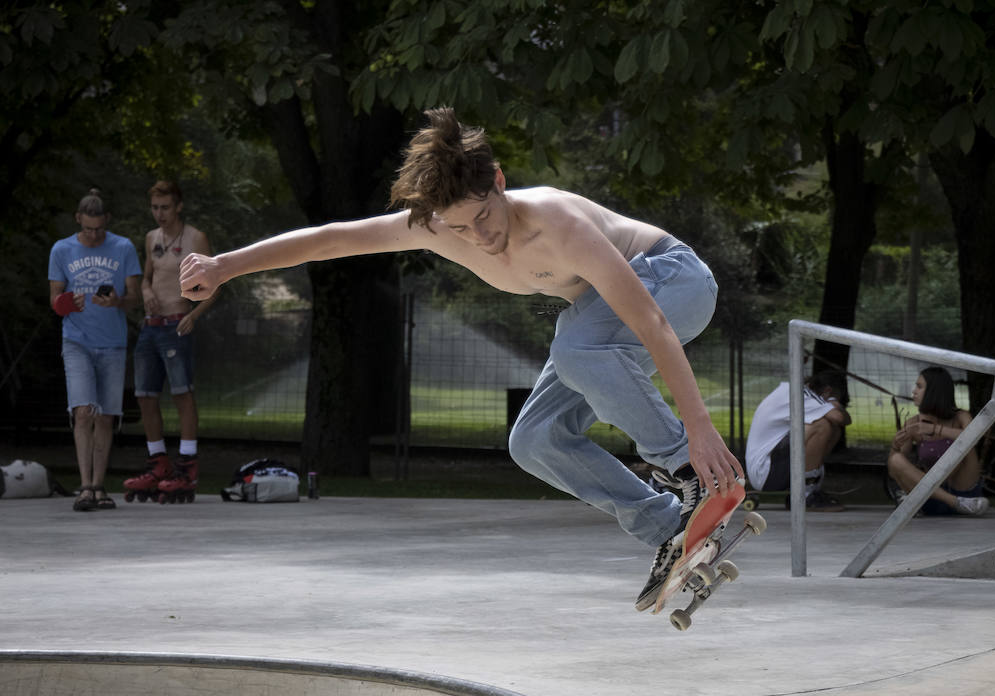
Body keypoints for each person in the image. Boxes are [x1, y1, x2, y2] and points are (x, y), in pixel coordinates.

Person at [180, 107, 743, 609]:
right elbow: (332, 239)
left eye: (483, 218)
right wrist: (225, 266)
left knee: (576, 348)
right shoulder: (435, 228)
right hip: (597, 318)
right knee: (534, 440)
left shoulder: (558, 223)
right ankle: (670, 528)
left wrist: (694, 433)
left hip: (673, 280)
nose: (478, 237)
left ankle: (693, 476)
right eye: (458, 228)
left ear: (498, 183)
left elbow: (651, 321)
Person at [47, 189, 142, 511]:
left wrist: (117, 301)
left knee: (106, 417)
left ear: (107, 223)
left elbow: (135, 297)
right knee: (83, 411)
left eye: (99, 229)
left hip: (113, 342)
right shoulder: (62, 250)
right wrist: (67, 301)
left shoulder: (123, 247)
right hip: (77, 340)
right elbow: (55, 301)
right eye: (88, 229)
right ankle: (85, 486)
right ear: (78, 221)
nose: (93, 235)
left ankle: (100, 486)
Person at [124, 180, 217, 501]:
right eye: (155, 208)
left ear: (178, 206)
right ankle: (158, 462)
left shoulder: (195, 237)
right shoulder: (152, 238)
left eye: (165, 207)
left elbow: (215, 285)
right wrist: (146, 293)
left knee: (181, 394)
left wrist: (194, 314)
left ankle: (187, 464)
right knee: (145, 395)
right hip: (151, 325)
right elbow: (147, 279)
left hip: (178, 323)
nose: (160, 214)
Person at [886, 366, 989, 516]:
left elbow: (975, 438)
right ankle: (954, 502)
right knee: (895, 459)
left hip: (966, 493)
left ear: (934, 391)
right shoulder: (912, 423)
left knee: (965, 441)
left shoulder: (961, 417)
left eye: (919, 386)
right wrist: (895, 446)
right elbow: (893, 470)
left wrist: (936, 430)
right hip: (932, 498)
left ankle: (959, 501)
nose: (914, 391)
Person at [744, 370, 850, 510]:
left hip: (769, 469)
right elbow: (841, 418)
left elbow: (843, 421)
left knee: (833, 429)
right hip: (766, 472)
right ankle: (805, 495)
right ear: (827, 391)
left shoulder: (795, 391)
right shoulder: (802, 395)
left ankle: (808, 490)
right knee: (821, 425)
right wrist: (833, 403)